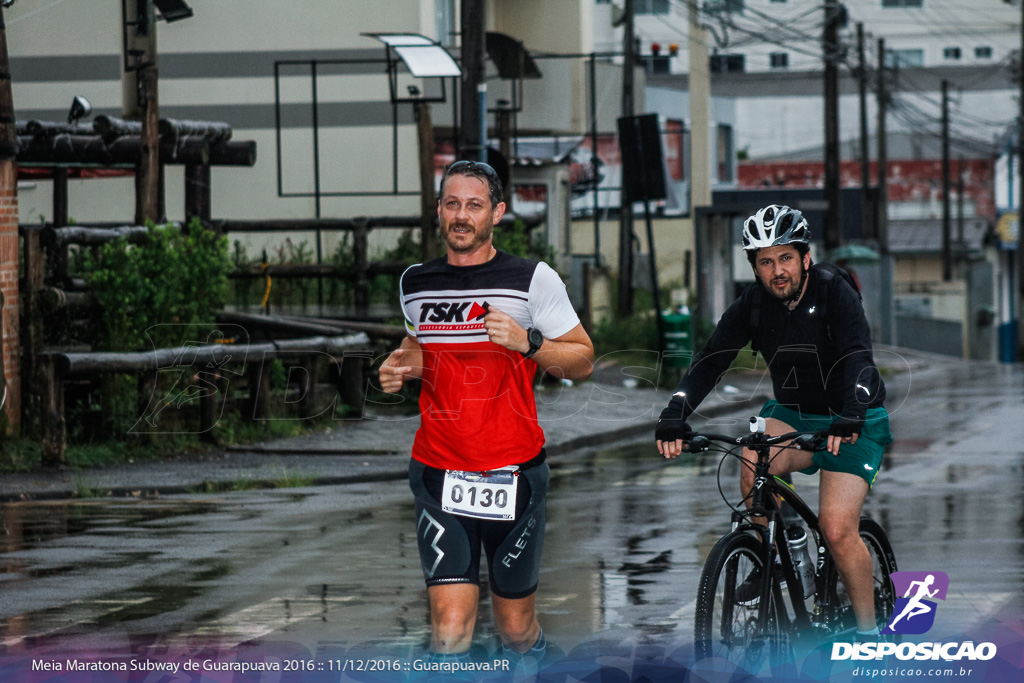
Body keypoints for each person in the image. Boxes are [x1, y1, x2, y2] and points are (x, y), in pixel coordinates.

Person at [380, 160, 594, 668]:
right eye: (451, 203)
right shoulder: (416, 283)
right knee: (450, 626)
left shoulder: (532, 279)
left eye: (473, 205)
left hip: (514, 471)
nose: (461, 215)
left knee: (515, 629)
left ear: (496, 212)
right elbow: (418, 344)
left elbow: (582, 359)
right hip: (439, 470)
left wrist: (528, 342)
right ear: (438, 211)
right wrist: (399, 367)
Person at [654, 204, 893, 640]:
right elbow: (709, 363)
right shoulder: (753, 307)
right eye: (765, 261)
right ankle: (775, 556)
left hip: (852, 417)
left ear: (805, 258)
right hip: (793, 414)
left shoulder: (834, 292)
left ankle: (868, 637)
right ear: (755, 268)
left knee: (838, 530)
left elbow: (860, 356)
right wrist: (674, 413)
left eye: (785, 258)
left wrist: (851, 413)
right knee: (751, 460)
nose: (777, 270)